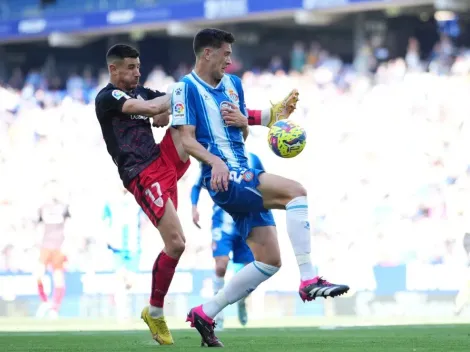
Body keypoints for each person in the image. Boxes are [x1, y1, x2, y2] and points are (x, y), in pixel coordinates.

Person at [94, 44, 299, 345]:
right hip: (141, 174)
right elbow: (151, 109)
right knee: (176, 244)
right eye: (131, 68)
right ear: (114, 70)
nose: (138, 73)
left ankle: (258, 122)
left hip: (163, 161)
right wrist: (175, 97)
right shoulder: (108, 97)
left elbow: (165, 106)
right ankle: (154, 311)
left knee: (186, 123)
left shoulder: (143, 91)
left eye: (139, 67)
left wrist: (174, 104)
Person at [172, 28, 350, 347]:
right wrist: (216, 162)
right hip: (227, 179)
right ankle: (309, 278)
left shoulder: (233, 84)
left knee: (269, 261)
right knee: (297, 192)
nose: (230, 59)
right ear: (207, 53)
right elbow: (186, 141)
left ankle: (205, 312)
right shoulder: (184, 89)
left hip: (244, 170)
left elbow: (239, 132)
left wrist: (248, 120)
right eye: (225, 53)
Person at [191, 152, 264, 329]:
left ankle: (241, 301)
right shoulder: (215, 159)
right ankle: (217, 314)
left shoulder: (253, 158)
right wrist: (194, 207)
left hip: (246, 221)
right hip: (222, 222)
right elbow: (196, 186)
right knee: (221, 265)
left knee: (249, 271)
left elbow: (263, 183)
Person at [103, 187, 143, 321]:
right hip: (117, 246)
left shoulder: (138, 199)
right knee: (119, 278)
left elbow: (145, 220)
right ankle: (122, 312)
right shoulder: (110, 201)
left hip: (133, 246)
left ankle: (124, 301)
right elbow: (105, 221)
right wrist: (107, 237)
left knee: (130, 282)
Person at [35, 180, 70, 319]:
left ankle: (55, 308)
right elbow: (38, 227)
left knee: (58, 279)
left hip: (59, 247)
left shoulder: (64, 207)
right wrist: (37, 245)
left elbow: (68, 227)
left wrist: (67, 245)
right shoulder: (42, 207)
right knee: (38, 275)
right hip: (45, 246)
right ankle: (45, 302)